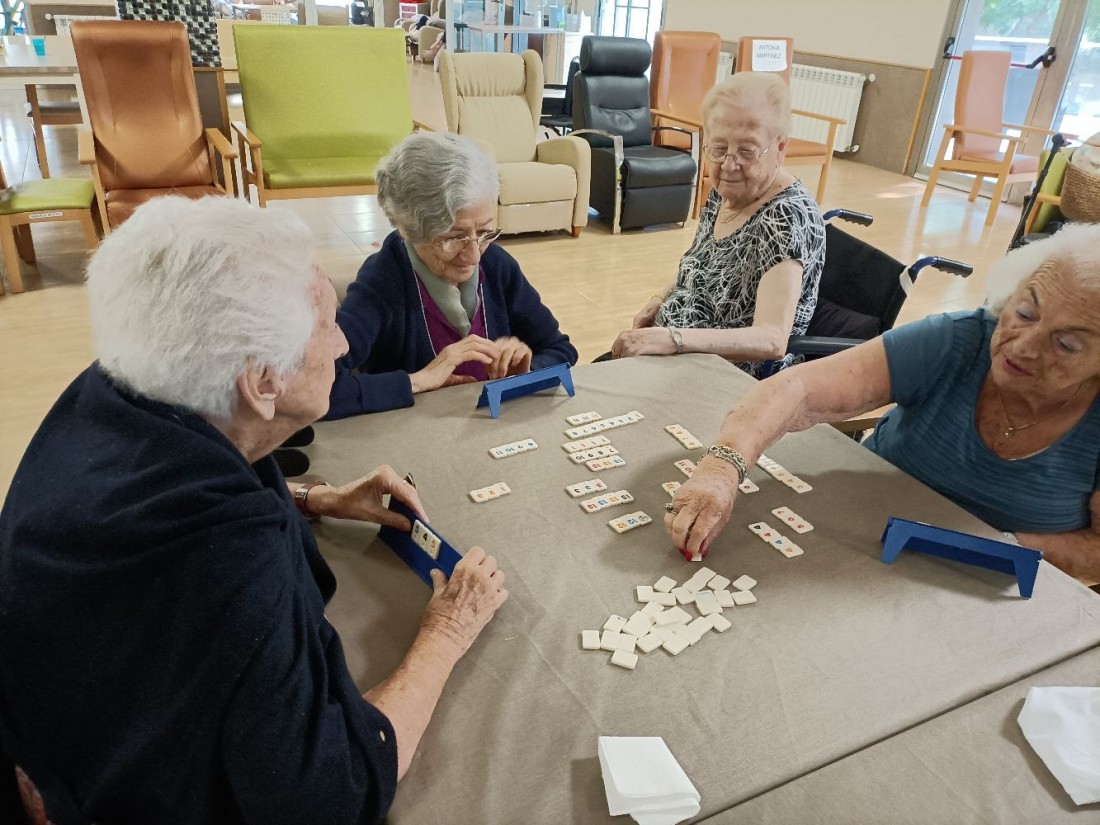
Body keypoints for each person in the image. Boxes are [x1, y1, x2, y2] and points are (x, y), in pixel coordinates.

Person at [0, 197, 508, 823]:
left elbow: (177, 484)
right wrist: (446, 632)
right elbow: (335, 793)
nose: (343, 343)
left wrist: (312, 497)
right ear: (264, 381)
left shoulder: (109, 387)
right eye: (327, 323)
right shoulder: (228, 555)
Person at [665, 224, 1100, 585]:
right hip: (857, 534)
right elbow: (797, 389)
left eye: (1066, 344)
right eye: (1025, 313)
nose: (1023, 346)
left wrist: (981, 548)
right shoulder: (960, 339)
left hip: (990, 582)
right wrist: (721, 468)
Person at [327, 132, 577, 419]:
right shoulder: (382, 281)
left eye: (485, 232)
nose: (473, 256)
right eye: (453, 238)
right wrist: (418, 380)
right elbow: (317, 392)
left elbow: (561, 350)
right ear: (408, 230)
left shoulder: (496, 265)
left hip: (495, 427)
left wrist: (527, 369)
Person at [609, 72, 825, 377]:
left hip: (727, 376)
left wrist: (673, 340)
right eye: (719, 148)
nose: (729, 165)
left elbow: (772, 339)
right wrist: (660, 299)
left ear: (780, 149)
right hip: (678, 357)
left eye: (747, 151)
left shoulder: (785, 217)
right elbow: (700, 267)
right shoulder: (725, 192)